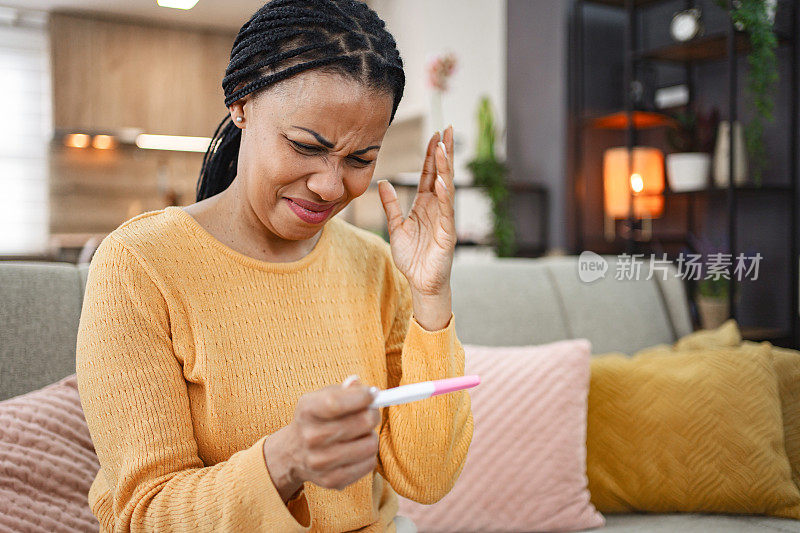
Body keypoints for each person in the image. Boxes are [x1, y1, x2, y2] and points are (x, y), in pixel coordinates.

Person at [75, 0, 473, 531]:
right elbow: (144, 515)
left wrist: (431, 296)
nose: (332, 187)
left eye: (360, 160)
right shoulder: (139, 267)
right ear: (242, 105)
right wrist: (283, 463)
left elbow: (429, 478)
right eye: (306, 145)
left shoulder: (373, 265)